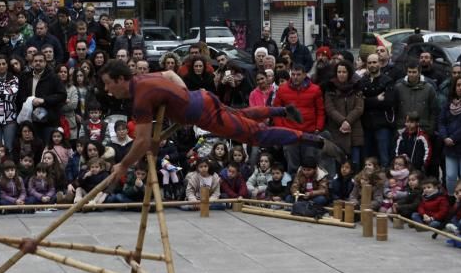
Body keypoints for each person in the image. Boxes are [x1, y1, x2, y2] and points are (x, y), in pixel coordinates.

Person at [99, 61, 318, 182]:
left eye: (108, 84)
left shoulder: (140, 98)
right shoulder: (141, 79)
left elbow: (142, 141)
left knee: (256, 135)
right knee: (242, 115)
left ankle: (306, 138)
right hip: (201, 97)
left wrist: (123, 165)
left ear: (121, 79)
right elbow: (168, 74)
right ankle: (283, 110)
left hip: (204, 113)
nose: (107, 91)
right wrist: (184, 97)